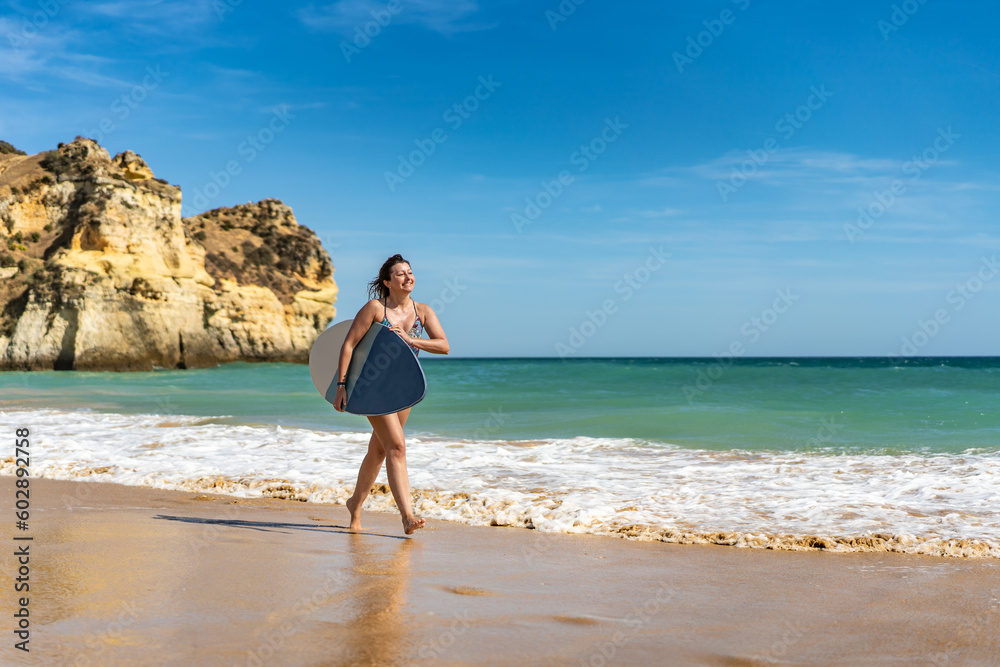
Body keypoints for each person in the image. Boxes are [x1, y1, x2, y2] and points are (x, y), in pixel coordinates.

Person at [334, 254, 449, 535]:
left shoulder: (424, 311)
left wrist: (412, 339)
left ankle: (355, 504)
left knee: (379, 450)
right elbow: (348, 345)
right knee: (397, 447)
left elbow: (444, 345)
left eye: (410, 272)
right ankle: (407, 516)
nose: (408, 277)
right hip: (372, 385)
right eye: (400, 274)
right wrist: (341, 385)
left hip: (403, 388)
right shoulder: (375, 308)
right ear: (387, 282)